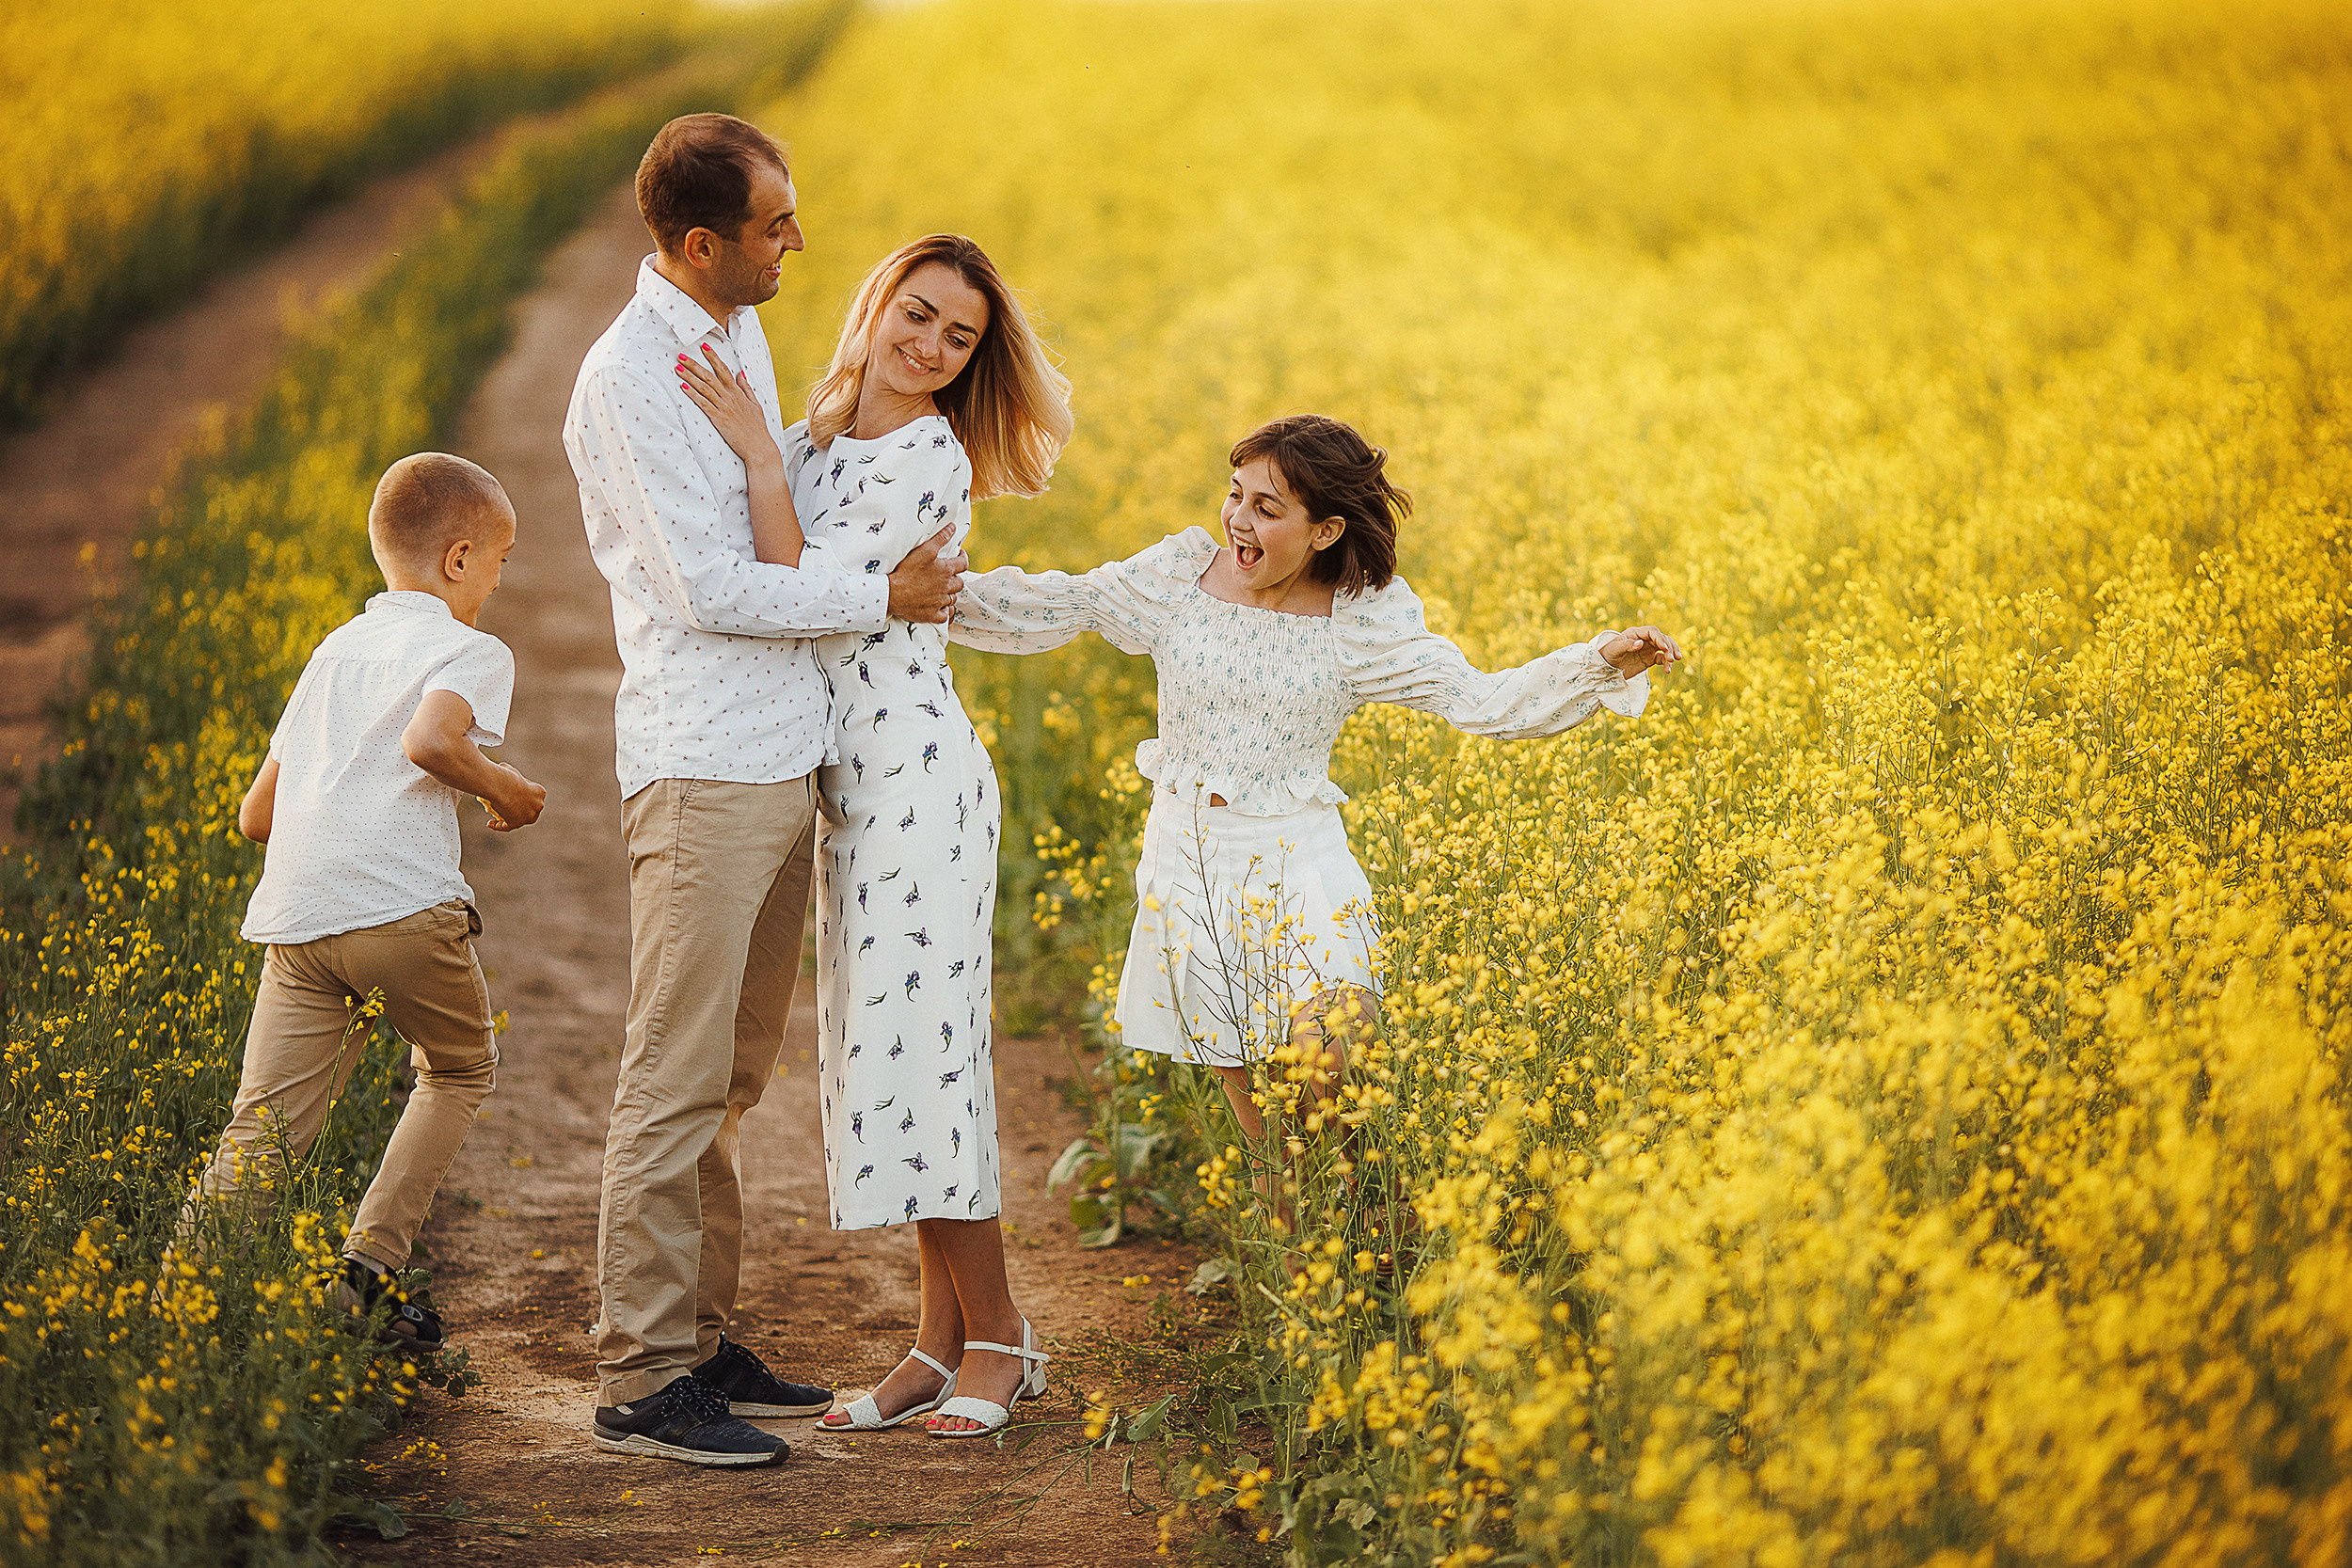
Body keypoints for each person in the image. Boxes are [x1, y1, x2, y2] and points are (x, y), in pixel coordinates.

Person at [564, 116, 969, 1467]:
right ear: (700, 243)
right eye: (774, 223)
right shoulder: (631, 375)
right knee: (672, 1076)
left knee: (731, 1076)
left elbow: (772, 509)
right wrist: (884, 592)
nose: (799, 239)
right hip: (702, 759)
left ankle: (699, 1341)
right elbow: (710, 585)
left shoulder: (730, 325)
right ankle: (636, 1374)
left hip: (779, 752)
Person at [946, 414, 1683, 1152]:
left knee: (1332, 1056)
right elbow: (1060, 603)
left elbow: (1479, 700)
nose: (1238, 519)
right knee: (1257, 1104)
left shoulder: (1358, 623)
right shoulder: (1178, 580)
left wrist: (1601, 662)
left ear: (1325, 531)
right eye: (1236, 495)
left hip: (1303, 856)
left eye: (1267, 509)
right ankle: (1299, 1234)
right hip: (1193, 857)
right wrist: (911, 594)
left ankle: (1348, 1207)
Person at [675, 232, 1071, 1438]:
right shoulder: (821, 433)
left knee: (926, 1062)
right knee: (889, 1065)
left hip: (919, 784)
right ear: (877, 304)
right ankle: (934, 1344)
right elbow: (760, 560)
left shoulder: (923, 461)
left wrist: (750, 448)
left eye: (959, 336)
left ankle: (1001, 1336)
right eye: (919, 314)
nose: (933, 346)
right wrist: (768, 448)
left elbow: (793, 585)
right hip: (856, 791)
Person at [188, 451, 546, 1350]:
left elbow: (254, 814)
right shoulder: (471, 648)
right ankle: (366, 1271)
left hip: (298, 920)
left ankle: (178, 1310)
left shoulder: (332, 653)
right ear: (458, 559)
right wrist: (504, 790)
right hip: (401, 910)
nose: (495, 587)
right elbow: (433, 740)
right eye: (498, 564)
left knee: (261, 1128)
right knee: (461, 1069)